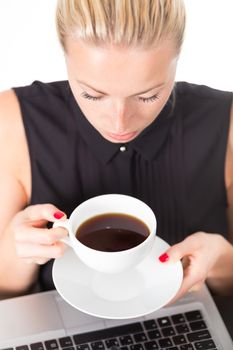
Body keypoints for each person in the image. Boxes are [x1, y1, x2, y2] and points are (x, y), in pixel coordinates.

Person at [0, 0, 233, 300]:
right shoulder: (12, 121)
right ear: (65, 57)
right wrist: (16, 249)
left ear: (177, 59)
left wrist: (222, 260)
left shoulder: (226, 124)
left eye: (148, 96)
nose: (119, 121)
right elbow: (4, 298)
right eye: (92, 95)